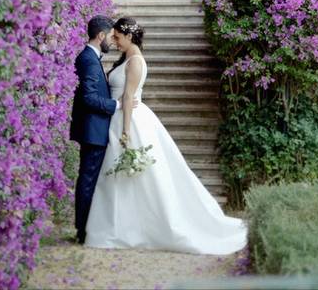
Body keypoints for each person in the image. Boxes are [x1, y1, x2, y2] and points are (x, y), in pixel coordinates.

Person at [84, 17, 247, 255]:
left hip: (129, 120)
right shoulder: (127, 58)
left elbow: (129, 97)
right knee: (121, 176)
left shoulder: (136, 62)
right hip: (118, 117)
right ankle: (122, 226)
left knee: (135, 175)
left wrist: (126, 131)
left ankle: (133, 228)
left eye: (118, 37)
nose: (115, 42)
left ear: (129, 37)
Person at [69, 15, 137, 245]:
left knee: (88, 180)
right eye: (110, 36)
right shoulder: (88, 59)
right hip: (93, 131)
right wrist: (116, 105)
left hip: (95, 129)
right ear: (100, 36)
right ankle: (83, 230)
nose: (112, 40)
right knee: (88, 180)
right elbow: (88, 98)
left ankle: (86, 227)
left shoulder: (91, 57)